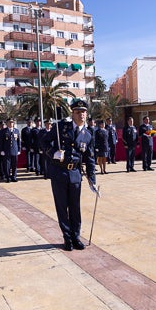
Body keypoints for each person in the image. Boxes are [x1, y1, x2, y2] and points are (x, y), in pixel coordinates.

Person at [42, 98, 97, 251]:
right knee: (62, 207)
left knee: (75, 207)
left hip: (75, 174)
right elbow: (44, 142)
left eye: (84, 112)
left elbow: (90, 158)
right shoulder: (61, 128)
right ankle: (67, 238)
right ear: (72, 113)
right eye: (78, 112)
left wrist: (92, 179)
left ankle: (76, 236)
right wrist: (53, 153)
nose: (81, 115)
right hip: (59, 172)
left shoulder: (88, 134)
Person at [3, 118, 21, 182]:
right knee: (7, 165)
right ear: (7, 123)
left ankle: (14, 177)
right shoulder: (4, 131)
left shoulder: (16, 131)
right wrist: (1, 150)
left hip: (14, 150)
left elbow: (19, 141)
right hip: (6, 151)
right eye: (10, 122)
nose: (11, 124)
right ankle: (8, 177)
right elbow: (1, 141)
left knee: (14, 165)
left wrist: (19, 149)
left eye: (12, 122)